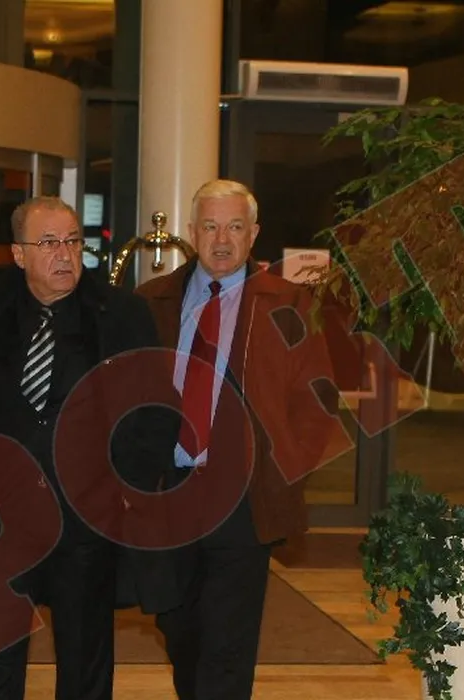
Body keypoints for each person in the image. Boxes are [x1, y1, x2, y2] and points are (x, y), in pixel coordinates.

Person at [0, 196, 177, 700]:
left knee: (85, 659)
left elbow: (156, 408)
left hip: (87, 520)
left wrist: (127, 490)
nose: (64, 254)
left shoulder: (121, 314)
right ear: (18, 253)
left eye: (72, 241)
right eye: (48, 243)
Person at [135, 179, 339, 700]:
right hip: (168, 494)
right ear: (191, 232)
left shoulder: (290, 303)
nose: (222, 239)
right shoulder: (152, 302)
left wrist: (283, 468)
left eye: (234, 227)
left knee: (228, 643)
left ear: (254, 234)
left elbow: (317, 400)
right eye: (210, 226)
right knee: (179, 629)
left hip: (243, 499)